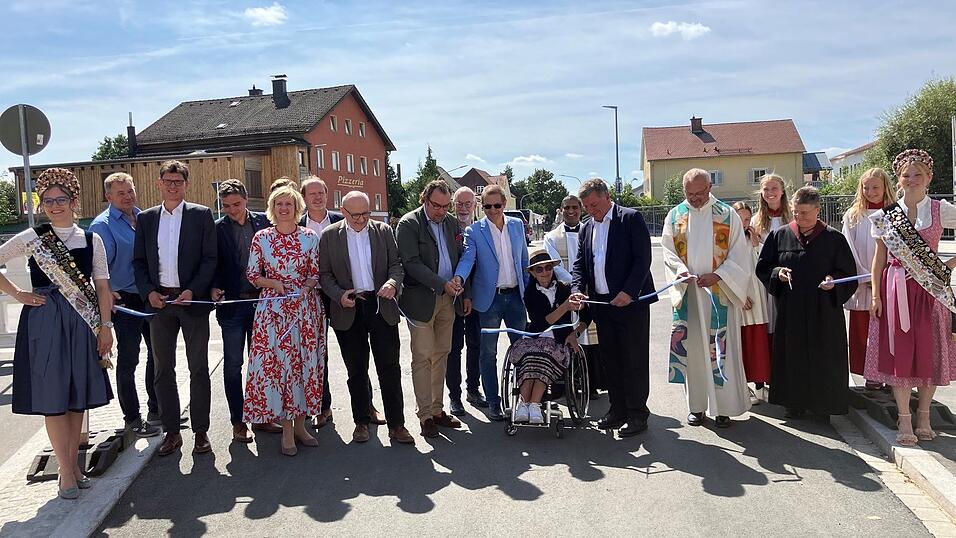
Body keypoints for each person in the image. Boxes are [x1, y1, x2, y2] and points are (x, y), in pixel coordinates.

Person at [0, 168, 113, 499]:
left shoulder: (92, 239)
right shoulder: (32, 237)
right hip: (45, 321)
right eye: (47, 200)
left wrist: (105, 327)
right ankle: (65, 471)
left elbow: (103, 287)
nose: (54, 205)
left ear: (73, 201)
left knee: (77, 395)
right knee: (54, 397)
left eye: (61, 199)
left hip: (81, 322)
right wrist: (18, 294)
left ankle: (74, 465)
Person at [866, 149, 956, 446]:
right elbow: (879, 258)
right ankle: (904, 417)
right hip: (896, 291)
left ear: (929, 177)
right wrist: (877, 295)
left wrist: (947, 265)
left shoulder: (941, 209)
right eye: (906, 175)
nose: (912, 179)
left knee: (930, 353)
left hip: (931, 291)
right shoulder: (884, 216)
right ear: (899, 180)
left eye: (918, 174)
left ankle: (924, 415)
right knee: (900, 354)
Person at [133, 160, 217, 457]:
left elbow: (210, 258)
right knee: (162, 369)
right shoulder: (146, 219)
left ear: (186, 184)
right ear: (159, 183)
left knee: (199, 369)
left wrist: (193, 289)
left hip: (192, 303)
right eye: (168, 181)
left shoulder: (201, 215)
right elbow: (140, 263)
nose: (172, 186)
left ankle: (201, 432)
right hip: (160, 305)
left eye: (178, 182)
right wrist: (149, 293)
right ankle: (171, 432)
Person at [318, 191, 414, 445]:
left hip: (381, 305)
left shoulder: (383, 231)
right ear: (343, 211)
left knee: (389, 368)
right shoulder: (329, 236)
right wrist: (339, 295)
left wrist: (393, 283)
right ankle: (361, 422)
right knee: (356, 369)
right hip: (348, 306)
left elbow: (396, 265)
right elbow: (324, 275)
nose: (361, 219)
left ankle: (397, 425)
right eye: (355, 215)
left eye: (365, 214)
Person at [756, 186, 857, 421]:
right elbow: (764, 266)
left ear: (818, 211)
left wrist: (834, 281)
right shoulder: (780, 235)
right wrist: (778, 273)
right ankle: (794, 403)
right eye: (796, 212)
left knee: (825, 357)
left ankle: (823, 405)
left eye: (805, 213)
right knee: (793, 356)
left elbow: (847, 272)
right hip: (791, 310)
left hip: (824, 310)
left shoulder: (834, 238)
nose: (800, 218)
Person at [662, 169, 752, 427]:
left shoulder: (727, 215)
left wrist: (720, 275)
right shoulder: (676, 215)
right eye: (690, 194)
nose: (695, 199)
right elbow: (668, 251)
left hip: (718, 295)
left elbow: (739, 254)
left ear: (710, 187)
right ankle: (697, 407)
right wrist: (681, 271)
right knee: (694, 353)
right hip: (690, 295)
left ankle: (724, 408)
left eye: (700, 194)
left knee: (721, 351)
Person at [569, 178, 656, 437]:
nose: (591, 211)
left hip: (631, 305)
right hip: (602, 306)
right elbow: (579, 265)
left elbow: (643, 259)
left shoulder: (630, 218)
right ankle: (617, 410)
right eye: (587, 207)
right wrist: (576, 290)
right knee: (611, 361)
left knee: (634, 361)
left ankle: (638, 414)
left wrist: (629, 291)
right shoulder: (586, 228)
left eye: (594, 205)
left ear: (607, 196)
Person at [244, 186, 324, 456]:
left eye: (289, 204)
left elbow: (315, 272)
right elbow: (253, 274)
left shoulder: (311, 237)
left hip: (304, 309)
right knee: (280, 368)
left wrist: (307, 287)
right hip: (273, 312)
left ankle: (301, 426)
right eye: (278, 204)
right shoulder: (261, 237)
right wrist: (273, 283)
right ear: (272, 207)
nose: (284, 208)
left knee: (303, 366)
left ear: (297, 207)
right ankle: (286, 429)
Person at [299, 176, 384, 428]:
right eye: (311, 194)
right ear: (303, 198)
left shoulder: (343, 219)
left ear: (328, 195)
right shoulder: (296, 224)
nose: (317, 197)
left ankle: (367, 405)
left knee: (357, 357)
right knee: (317, 355)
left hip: (343, 298)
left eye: (321, 193)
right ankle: (323, 407)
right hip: (310, 300)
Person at [89, 172, 159, 437]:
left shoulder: (144, 218)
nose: (127, 196)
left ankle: (157, 409)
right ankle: (133, 419)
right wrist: (107, 293)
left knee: (158, 354)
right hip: (123, 301)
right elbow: (97, 267)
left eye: (130, 190)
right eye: (121, 193)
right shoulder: (102, 225)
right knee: (129, 360)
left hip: (148, 296)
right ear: (109, 197)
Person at [453, 184, 529, 421]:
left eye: (496, 205)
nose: (492, 210)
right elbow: (468, 259)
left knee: (522, 351)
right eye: (487, 206)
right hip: (490, 300)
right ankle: (494, 402)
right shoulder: (475, 231)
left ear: (504, 204)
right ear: (482, 206)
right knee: (488, 353)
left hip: (516, 297)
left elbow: (524, 260)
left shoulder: (517, 226)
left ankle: (525, 400)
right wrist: (459, 277)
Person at [396, 180, 466, 438]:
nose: (440, 211)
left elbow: (459, 256)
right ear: (424, 199)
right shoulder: (409, 223)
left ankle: (437, 409)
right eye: (436, 205)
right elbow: (411, 263)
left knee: (442, 354)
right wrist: (441, 284)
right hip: (421, 301)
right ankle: (425, 414)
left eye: (445, 206)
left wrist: (460, 286)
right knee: (423, 357)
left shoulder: (450, 222)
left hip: (449, 298)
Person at [209, 179, 273, 443]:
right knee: (233, 365)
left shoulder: (264, 223)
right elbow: (210, 262)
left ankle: (262, 417)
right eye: (226, 206)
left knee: (262, 365)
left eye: (236, 204)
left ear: (247, 200)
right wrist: (213, 287)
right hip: (233, 306)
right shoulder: (215, 229)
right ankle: (239, 421)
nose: (232, 210)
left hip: (262, 304)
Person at [544, 194, 606, 397]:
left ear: (581, 210)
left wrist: (588, 285)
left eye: (575, 208)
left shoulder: (593, 231)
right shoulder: (551, 237)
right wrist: (575, 285)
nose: (571, 211)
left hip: (590, 290)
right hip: (565, 292)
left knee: (590, 336)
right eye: (567, 208)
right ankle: (565, 383)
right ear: (560, 211)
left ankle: (591, 383)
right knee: (567, 335)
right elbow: (555, 265)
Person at [512, 249, 582, 423]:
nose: (545, 272)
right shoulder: (530, 294)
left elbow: (587, 314)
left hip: (557, 340)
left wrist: (576, 333)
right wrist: (564, 307)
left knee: (545, 356)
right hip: (535, 335)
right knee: (529, 359)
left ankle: (533, 404)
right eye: (539, 269)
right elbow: (540, 323)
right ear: (533, 274)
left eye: (548, 267)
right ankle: (525, 404)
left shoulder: (566, 289)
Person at [841, 168, 896, 389]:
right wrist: (865, 276)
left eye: (875, 187)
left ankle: (891, 373)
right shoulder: (853, 215)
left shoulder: (895, 213)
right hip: (862, 284)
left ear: (885, 188)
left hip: (891, 282)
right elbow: (848, 248)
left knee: (889, 331)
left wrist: (885, 277)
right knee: (864, 331)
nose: (871, 192)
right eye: (866, 187)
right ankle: (869, 374)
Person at [445, 186, 485, 415]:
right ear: (453, 205)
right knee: (454, 348)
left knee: (476, 345)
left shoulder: (481, 228)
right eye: (459, 203)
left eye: (467, 204)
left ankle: (473, 389)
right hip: (453, 297)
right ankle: (454, 396)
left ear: (475, 205)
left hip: (477, 298)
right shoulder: (446, 228)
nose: (463, 208)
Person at [731, 201, 771, 403]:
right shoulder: (725, 241)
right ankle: (743, 387)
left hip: (757, 296)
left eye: (747, 219)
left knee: (758, 342)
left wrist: (756, 245)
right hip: (739, 298)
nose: (744, 223)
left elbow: (761, 266)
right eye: (739, 219)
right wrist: (739, 295)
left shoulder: (753, 240)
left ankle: (760, 385)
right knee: (741, 343)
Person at [751, 173, 793, 360]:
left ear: (782, 191)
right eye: (766, 189)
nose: (770, 193)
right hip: (767, 279)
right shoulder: (756, 220)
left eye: (774, 188)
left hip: (791, 275)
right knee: (769, 321)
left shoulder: (794, 215)